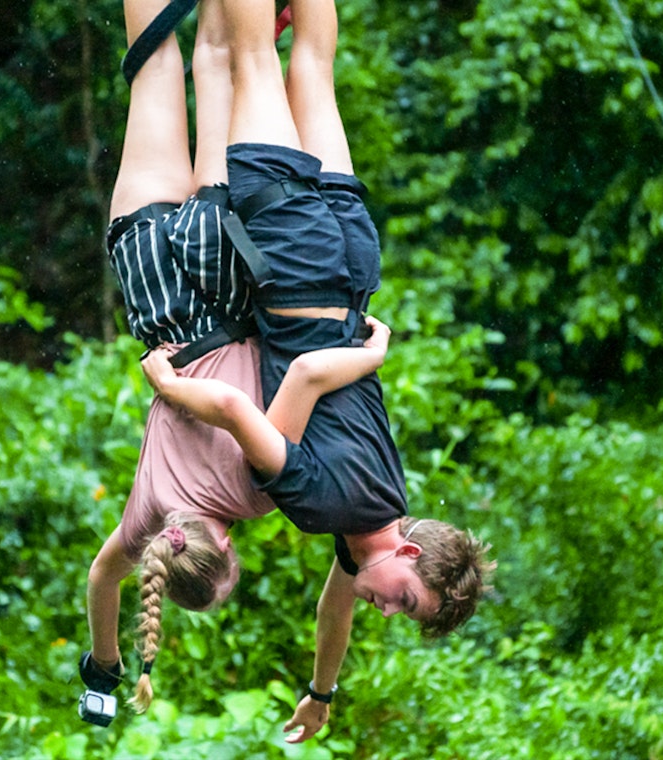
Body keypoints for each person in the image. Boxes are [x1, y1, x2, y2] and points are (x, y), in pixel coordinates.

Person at [140, 0, 495, 742]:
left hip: (352, 265)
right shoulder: (322, 510)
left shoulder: (379, 504)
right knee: (254, 60)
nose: (383, 609)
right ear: (406, 555)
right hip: (296, 267)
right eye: (404, 601)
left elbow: (334, 608)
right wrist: (171, 388)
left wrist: (321, 691)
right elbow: (272, 396)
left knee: (313, 63)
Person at [81, 0, 389, 720]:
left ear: (228, 550)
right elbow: (102, 581)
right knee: (153, 66)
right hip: (151, 282)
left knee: (225, 60)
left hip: (222, 274)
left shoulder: (258, 490)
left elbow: (287, 369)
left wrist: (369, 354)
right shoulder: (142, 520)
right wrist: (104, 672)